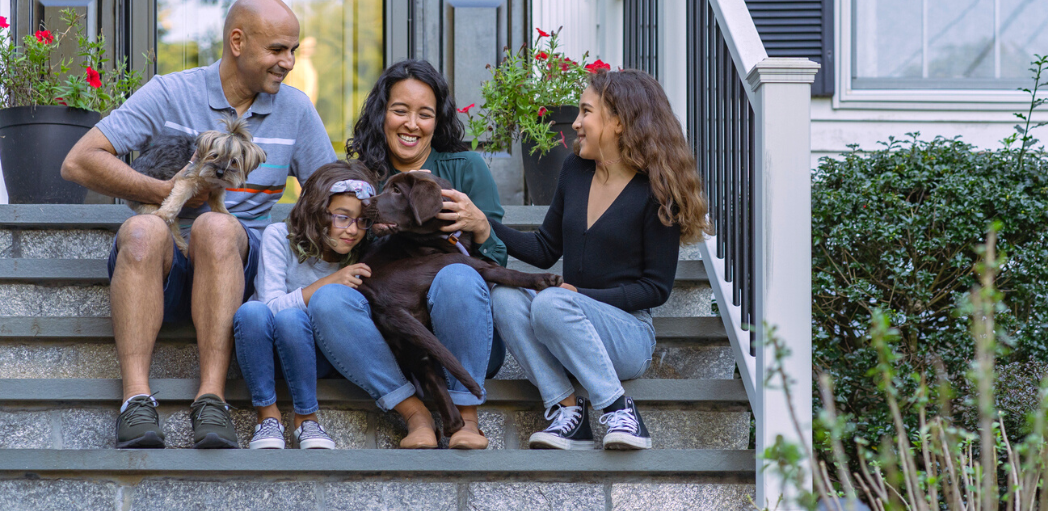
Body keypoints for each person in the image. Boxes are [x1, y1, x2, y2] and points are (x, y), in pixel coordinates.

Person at [60, 0, 337, 449]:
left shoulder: (296, 109)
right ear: (236, 41)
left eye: (293, 50)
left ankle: (211, 399)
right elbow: (79, 161)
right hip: (161, 267)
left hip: (232, 262)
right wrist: (169, 192)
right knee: (142, 229)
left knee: (216, 227)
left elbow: (328, 194)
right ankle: (136, 400)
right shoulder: (172, 92)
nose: (288, 62)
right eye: (277, 50)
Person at [490, 68, 709, 450]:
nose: (575, 123)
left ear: (619, 122)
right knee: (504, 296)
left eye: (585, 112)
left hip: (628, 334)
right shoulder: (575, 170)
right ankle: (567, 412)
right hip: (565, 315)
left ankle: (618, 408)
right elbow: (545, 249)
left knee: (553, 302)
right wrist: (485, 228)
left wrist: (579, 297)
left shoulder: (656, 191)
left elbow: (655, 290)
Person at [308, 59, 505, 449]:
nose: (411, 124)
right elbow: (334, 257)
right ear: (383, 114)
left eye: (424, 114)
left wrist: (481, 226)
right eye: (400, 110)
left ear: (438, 120)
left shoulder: (465, 169)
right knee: (328, 299)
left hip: (462, 333)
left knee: (458, 275)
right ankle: (415, 416)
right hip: (389, 339)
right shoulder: (358, 177)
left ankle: (466, 418)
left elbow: (497, 266)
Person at [233, 161, 377, 450]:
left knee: (291, 320)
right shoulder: (279, 236)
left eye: (362, 220)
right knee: (252, 311)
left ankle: (306, 419)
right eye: (342, 217)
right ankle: (267, 416)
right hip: (263, 351)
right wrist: (328, 282)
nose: (353, 230)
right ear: (317, 210)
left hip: (320, 356)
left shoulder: (364, 255)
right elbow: (269, 305)